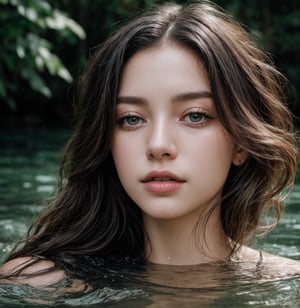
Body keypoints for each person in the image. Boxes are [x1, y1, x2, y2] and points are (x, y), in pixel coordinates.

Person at [0, 0, 299, 289]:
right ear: (105, 141)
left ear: (241, 144)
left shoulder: (287, 284)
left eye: (195, 116)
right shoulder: (42, 283)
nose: (158, 145)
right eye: (131, 119)